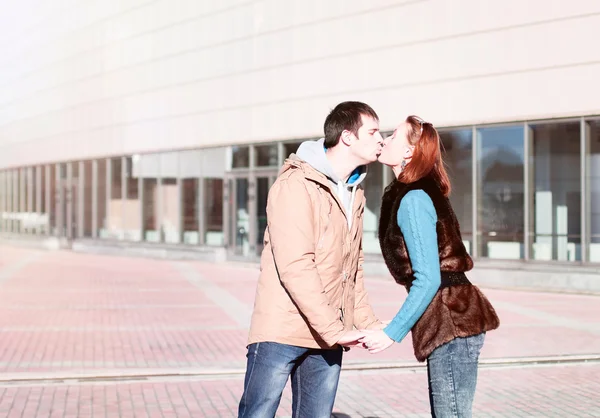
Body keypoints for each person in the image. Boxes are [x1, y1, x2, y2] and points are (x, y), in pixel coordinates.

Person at [238, 101, 385, 418]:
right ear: (347, 136)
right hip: (283, 329)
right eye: (373, 132)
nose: (381, 140)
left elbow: (352, 270)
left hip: (328, 336)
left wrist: (370, 325)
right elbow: (296, 267)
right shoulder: (295, 184)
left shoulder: (354, 192)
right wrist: (335, 330)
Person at [360, 115, 500, 418]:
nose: (385, 139)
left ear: (410, 152)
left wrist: (391, 333)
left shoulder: (413, 199)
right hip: (452, 317)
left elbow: (428, 278)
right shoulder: (415, 193)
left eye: (394, 136)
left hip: (452, 319)